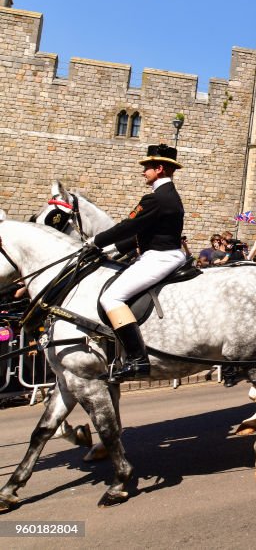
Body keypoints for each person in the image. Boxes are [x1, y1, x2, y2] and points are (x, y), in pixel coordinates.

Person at [92, 144, 187, 382]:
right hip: (163, 253)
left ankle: (138, 359)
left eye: (147, 168)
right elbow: (142, 235)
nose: (143, 172)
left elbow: (128, 226)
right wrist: (112, 248)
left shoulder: (155, 199)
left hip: (160, 257)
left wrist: (95, 241)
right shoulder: (170, 196)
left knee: (110, 298)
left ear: (160, 168)